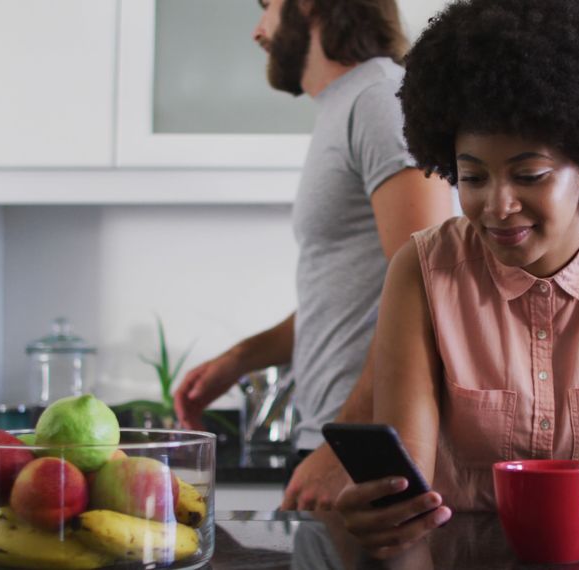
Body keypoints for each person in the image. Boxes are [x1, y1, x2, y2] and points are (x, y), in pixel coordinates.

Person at [333, 0, 579, 561]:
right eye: (473, 176)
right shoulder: (423, 271)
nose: (498, 205)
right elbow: (410, 472)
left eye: (529, 175)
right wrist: (381, 508)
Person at [172, 0, 454, 511]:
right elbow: (356, 298)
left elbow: (431, 286)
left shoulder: (379, 98)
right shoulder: (349, 104)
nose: (258, 30)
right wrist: (239, 360)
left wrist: (346, 443)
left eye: (267, 7)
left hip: (373, 446)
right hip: (344, 436)